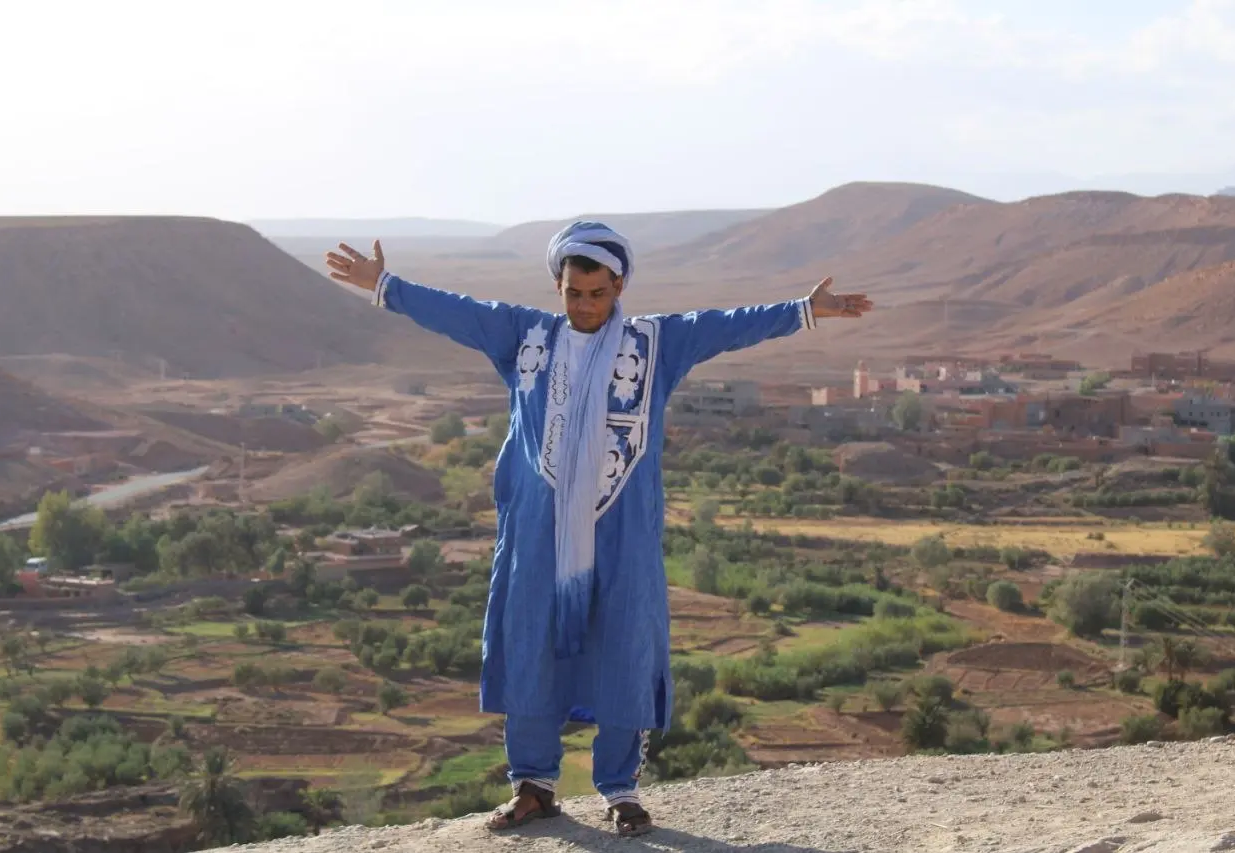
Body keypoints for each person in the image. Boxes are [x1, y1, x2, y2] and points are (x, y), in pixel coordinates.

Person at [326, 222, 872, 836]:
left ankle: (620, 790)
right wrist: (386, 286)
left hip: (622, 534)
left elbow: (729, 324)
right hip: (538, 531)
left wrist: (804, 310)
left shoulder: (656, 343)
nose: (585, 306)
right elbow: (456, 311)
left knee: (623, 647)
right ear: (557, 287)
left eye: (597, 293)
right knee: (529, 640)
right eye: (573, 293)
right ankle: (533, 786)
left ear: (619, 287)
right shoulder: (524, 336)